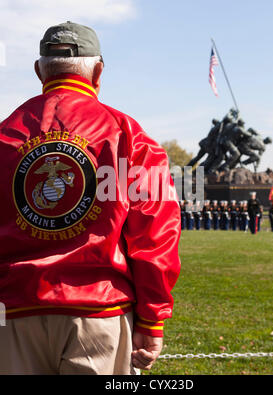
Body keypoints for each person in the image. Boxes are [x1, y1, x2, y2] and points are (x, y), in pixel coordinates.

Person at [0, 22, 181, 375]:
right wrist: (152, 317)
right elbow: (156, 234)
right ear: (98, 71)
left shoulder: (4, 135)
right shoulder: (129, 135)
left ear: (39, 70)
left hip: (13, 313)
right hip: (99, 314)